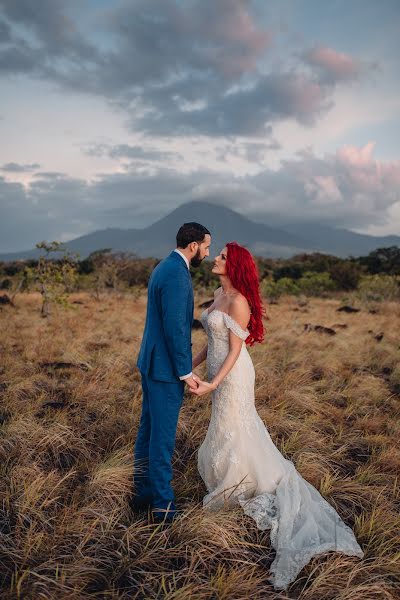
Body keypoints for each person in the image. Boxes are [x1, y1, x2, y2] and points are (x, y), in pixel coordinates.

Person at [191, 241, 364, 591]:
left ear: (234, 265)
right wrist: (189, 366)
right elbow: (212, 341)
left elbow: (235, 351)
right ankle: (230, 475)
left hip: (233, 375)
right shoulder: (217, 292)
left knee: (234, 426)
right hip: (216, 371)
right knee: (224, 427)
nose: (216, 259)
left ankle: (242, 482)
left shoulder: (239, 302)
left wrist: (212, 384)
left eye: (222, 257)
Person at [132, 222, 211, 523]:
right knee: (162, 438)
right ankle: (163, 507)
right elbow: (176, 329)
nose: (207, 252)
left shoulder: (164, 266)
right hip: (165, 370)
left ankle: (143, 494)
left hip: (151, 363)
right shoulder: (177, 275)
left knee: (148, 431)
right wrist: (185, 372)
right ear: (193, 246)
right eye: (206, 246)